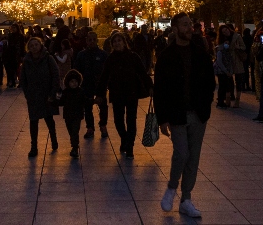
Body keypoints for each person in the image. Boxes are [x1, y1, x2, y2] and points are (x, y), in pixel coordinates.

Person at [155, 12, 215, 219]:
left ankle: (186, 199)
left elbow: (209, 81)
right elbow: (160, 88)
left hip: (198, 113)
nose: (189, 28)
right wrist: (161, 118)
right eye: (185, 24)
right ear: (175, 28)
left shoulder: (200, 53)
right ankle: (172, 188)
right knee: (182, 153)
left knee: (194, 157)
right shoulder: (166, 56)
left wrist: (206, 105)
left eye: (190, 24)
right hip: (177, 113)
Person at [96, 32, 152, 159]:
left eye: (119, 41)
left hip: (131, 93)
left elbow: (142, 73)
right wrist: (100, 93)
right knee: (118, 121)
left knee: (131, 120)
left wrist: (150, 87)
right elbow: (104, 76)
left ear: (124, 42)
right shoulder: (111, 59)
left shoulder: (133, 57)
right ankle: (125, 139)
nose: (117, 43)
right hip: (117, 93)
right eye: (114, 41)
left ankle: (130, 146)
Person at [20, 36, 59, 158]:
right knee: (33, 121)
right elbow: (23, 79)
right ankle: (34, 146)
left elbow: (55, 75)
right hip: (33, 95)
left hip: (47, 94)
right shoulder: (26, 61)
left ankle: (53, 139)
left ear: (40, 45)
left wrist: (53, 93)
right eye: (31, 46)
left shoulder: (48, 58)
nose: (34, 47)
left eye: (36, 44)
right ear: (28, 48)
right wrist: (27, 93)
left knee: (49, 119)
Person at [75, 31, 109, 139]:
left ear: (97, 40)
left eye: (94, 39)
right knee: (87, 107)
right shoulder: (81, 55)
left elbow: (107, 70)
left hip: (100, 85)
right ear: (86, 41)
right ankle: (90, 127)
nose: (92, 42)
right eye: (90, 40)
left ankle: (103, 125)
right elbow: (77, 70)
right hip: (86, 84)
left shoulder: (103, 54)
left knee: (103, 106)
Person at [59, 69, 86, 158]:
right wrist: (53, 101)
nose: (74, 83)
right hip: (68, 115)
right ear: (68, 82)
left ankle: (75, 147)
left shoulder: (81, 92)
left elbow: (85, 101)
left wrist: (92, 101)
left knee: (75, 131)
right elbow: (61, 102)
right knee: (71, 131)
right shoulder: (66, 92)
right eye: (72, 81)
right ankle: (74, 144)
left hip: (77, 115)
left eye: (76, 81)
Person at [214, 25, 236, 108]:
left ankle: (224, 100)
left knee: (225, 85)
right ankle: (220, 102)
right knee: (222, 86)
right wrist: (226, 71)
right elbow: (219, 61)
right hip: (222, 70)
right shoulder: (220, 50)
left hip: (226, 70)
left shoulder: (227, 49)